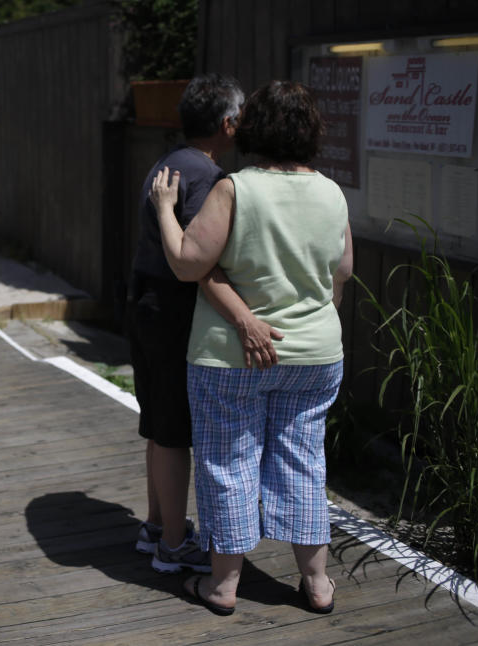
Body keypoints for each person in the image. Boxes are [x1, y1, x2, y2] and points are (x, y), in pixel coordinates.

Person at [150, 80, 354, 615]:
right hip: (314, 354)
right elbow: (343, 273)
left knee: (228, 462)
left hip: (231, 357)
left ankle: (223, 586)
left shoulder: (235, 189)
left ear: (254, 129)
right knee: (304, 461)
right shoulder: (332, 192)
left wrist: (167, 208)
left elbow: (189, 263)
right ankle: (316, 583)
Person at [128, 74, 277, 574]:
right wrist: (244, 317)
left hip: (145, 304)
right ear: (228, 124)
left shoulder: (169, 162)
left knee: (159, 425)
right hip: (172, 313)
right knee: (173, 432)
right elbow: (197, 260)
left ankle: (155, 527)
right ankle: (173, 545)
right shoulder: (206, 178)